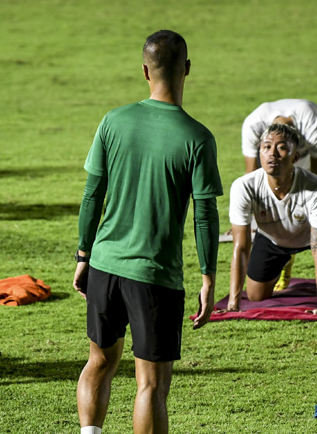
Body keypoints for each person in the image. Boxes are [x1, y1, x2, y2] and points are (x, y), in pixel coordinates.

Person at [73, 30, 222, 434]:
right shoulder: (197, 138)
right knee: (151, 385)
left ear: (144, 70)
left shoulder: (113, 121)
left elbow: (92, 196)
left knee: (99, 362)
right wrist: (208, 275)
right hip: (155, 278)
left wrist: (84, 255)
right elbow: (204, 215)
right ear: (187, 69)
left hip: (104, 266)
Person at [222, 123, 317, 315]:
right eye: (267, 147)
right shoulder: (243, 186)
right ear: (259, 152)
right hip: (275, 236)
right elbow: (241, 246)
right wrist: (233, 304)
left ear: (295, 157)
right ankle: (286, 258)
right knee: (255, 295)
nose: (273, 153)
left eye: (282, 147)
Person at [240, 99, 317, 224]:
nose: (276, 152)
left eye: (283, 147)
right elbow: (251, 175)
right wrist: (245, 221)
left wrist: (313, 217)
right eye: (270, 146)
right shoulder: (253, 125)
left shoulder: (313, 123)